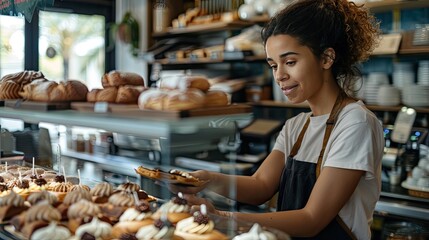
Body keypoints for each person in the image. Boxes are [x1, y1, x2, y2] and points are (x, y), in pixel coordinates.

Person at [172, 0, 384, 239]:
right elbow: (261, 185)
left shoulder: (355, 122)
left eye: (290, 62)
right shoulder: (297, 125)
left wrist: (223, 218)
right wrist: (207, 180)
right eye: (273, 65)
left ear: (326, 58)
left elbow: (311, 219)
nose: (280, 76)